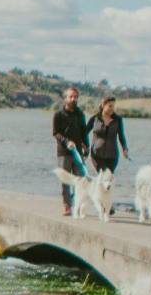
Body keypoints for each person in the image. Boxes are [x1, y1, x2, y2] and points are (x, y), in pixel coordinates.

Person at [51, 87, 89, 216]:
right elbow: (56, 133)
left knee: (81, 180)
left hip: (78, 152)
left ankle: (79, 205)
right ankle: (67, 206)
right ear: (65, 98)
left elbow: (84, 132)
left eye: (76, 97)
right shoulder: (58, 114)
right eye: (71, 96)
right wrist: (67, 142)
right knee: (65, 181)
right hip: (64, 153)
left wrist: (86, 147)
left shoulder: (80, 114)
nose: (74, 99)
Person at [87, 97, 131, 176]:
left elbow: (121, 136)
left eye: (113, 106)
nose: (112, 108)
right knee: (103, 176)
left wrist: (125, 148)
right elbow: (84, 133)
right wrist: (84, 146)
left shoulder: (118, 120)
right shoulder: (95, 119)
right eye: (110, 106)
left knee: (108, 179)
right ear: (103, 105)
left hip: (112, 156)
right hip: (97, 155)